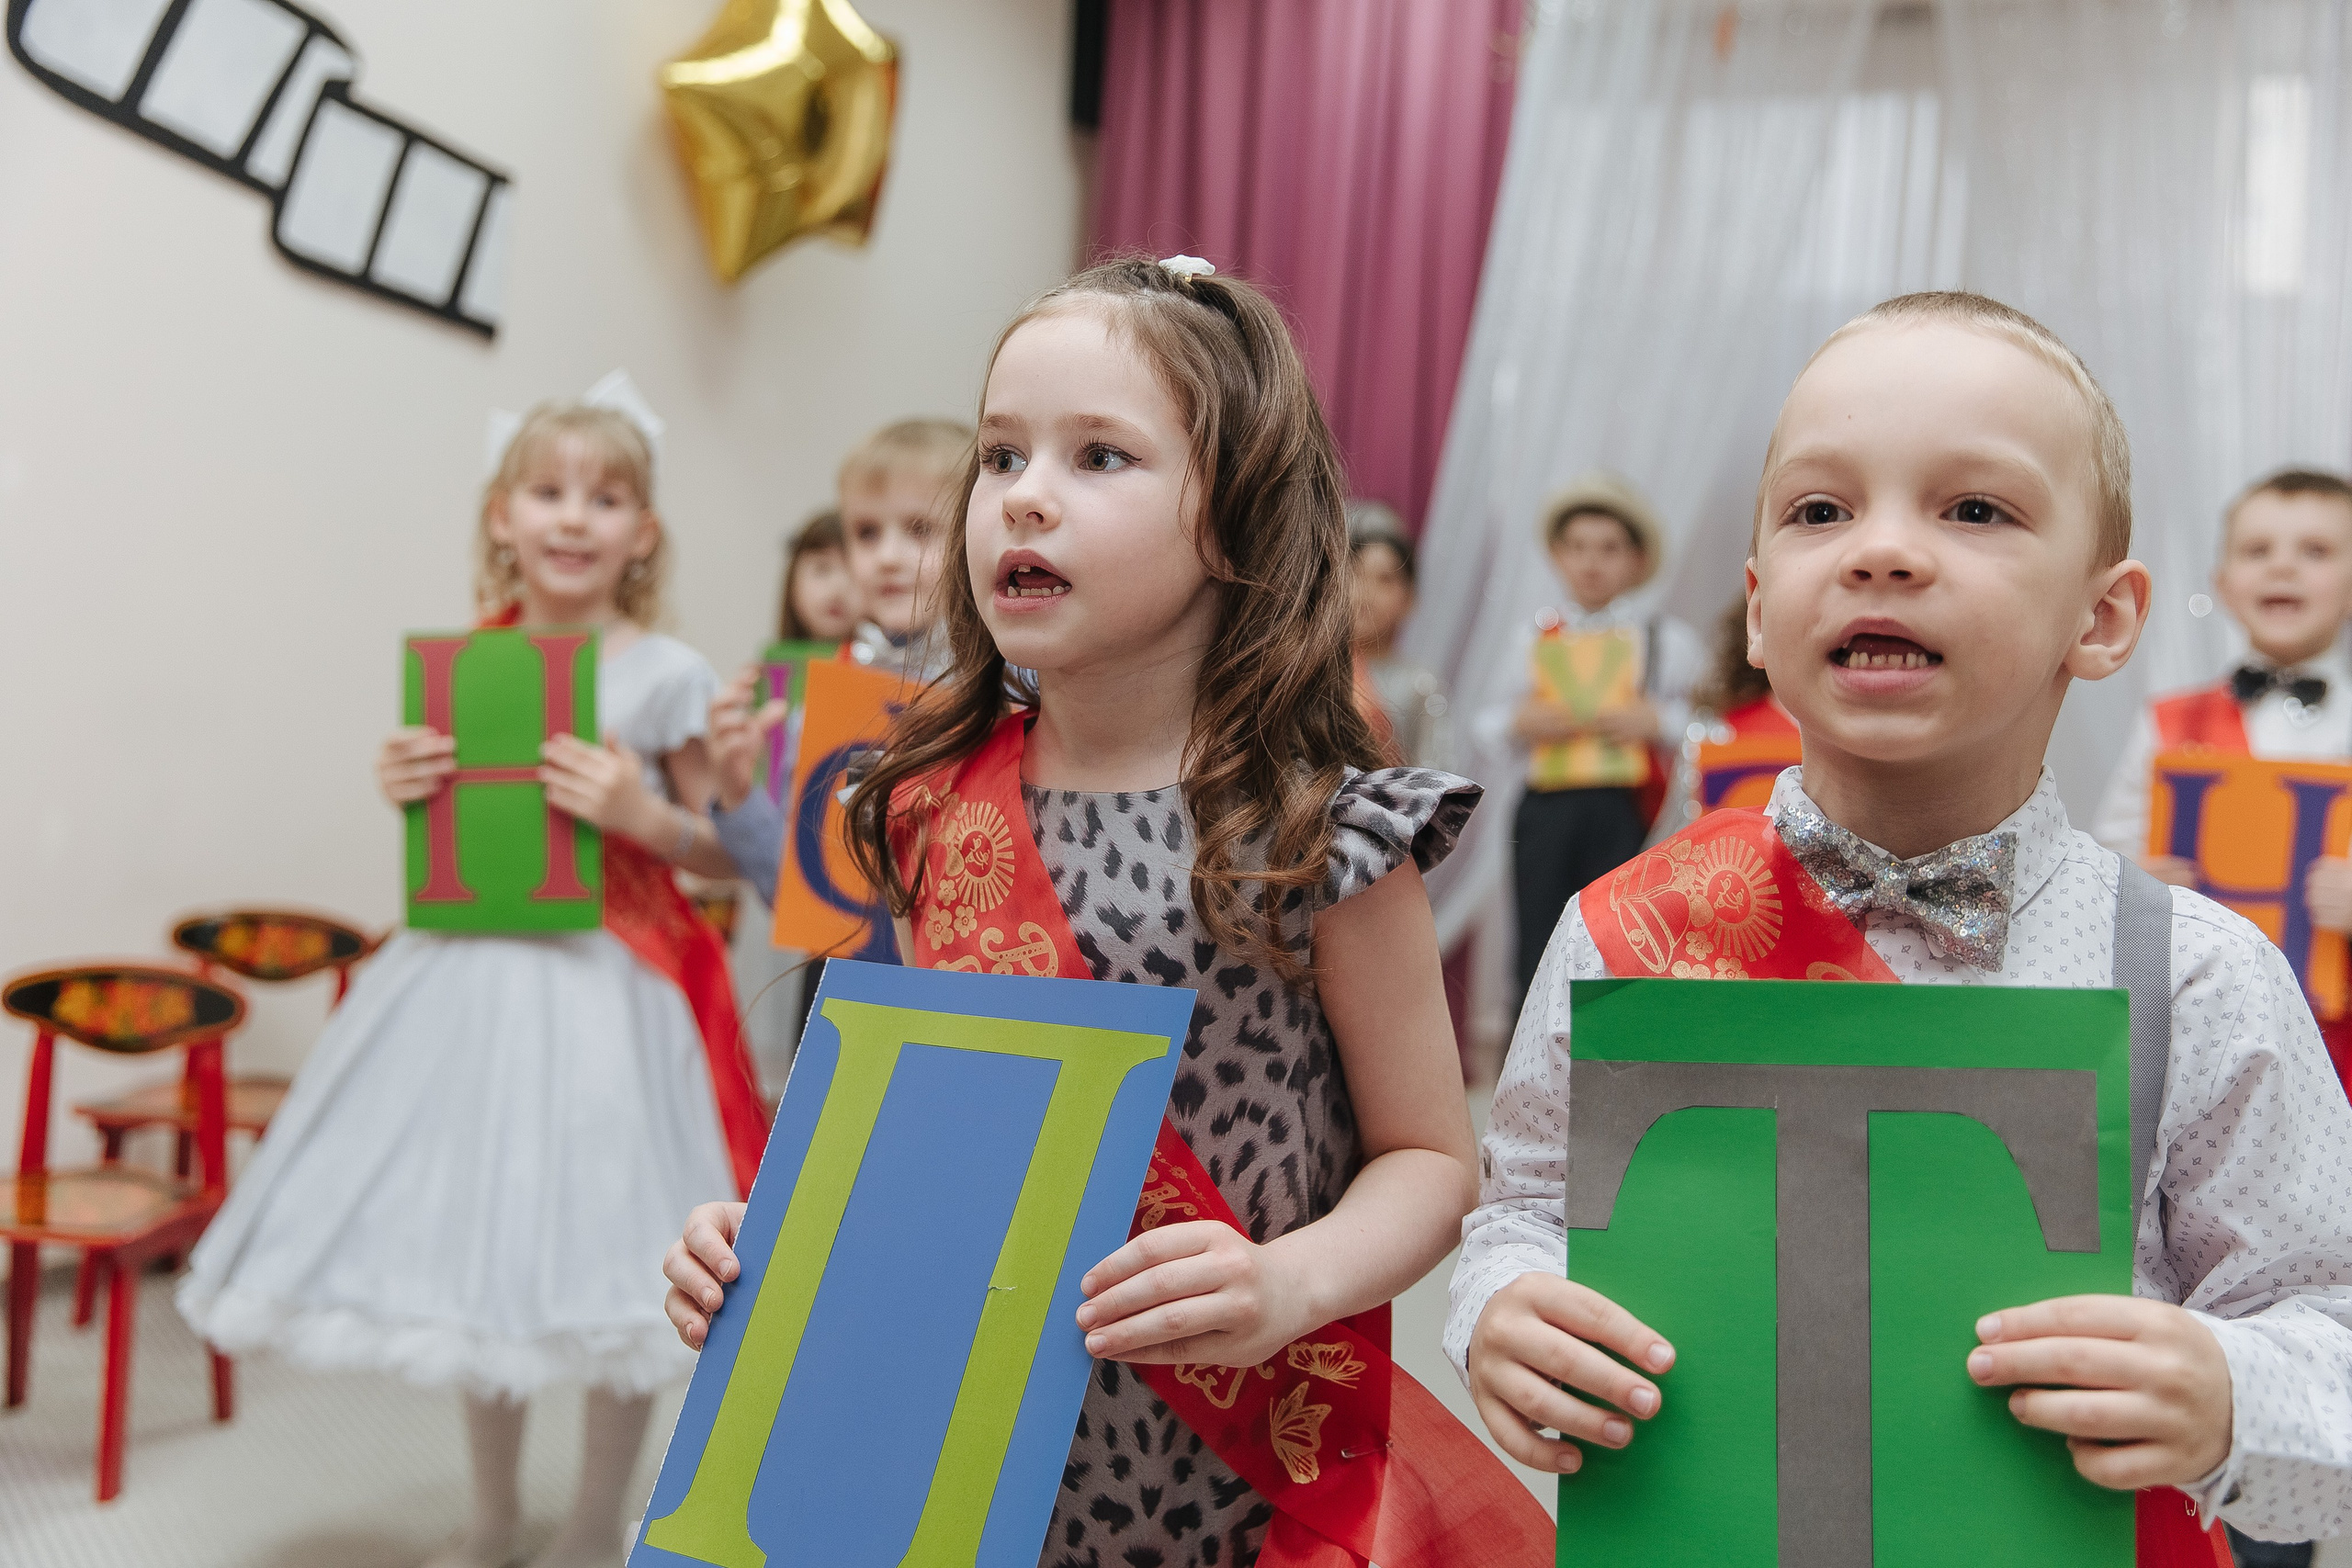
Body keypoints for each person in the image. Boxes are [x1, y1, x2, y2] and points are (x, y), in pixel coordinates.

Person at [661, 256, 1555, 1568]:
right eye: (1000, 453)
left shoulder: (1321, 828)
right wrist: (766, 1231)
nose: (1025, 494)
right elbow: (872, 1117)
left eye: (1099, 457)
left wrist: (1288, 1282)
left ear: (1237, 520)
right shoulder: (914, 803)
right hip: (961, 1443)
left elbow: (1432, 1158)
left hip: (1230, 1465)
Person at [1450, 292, 2352, 1561]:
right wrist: (1501, 1307)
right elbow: (1525, 1206)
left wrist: (2229, 1393)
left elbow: (2329, 1317)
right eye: (1822, 510)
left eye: (1973, 509)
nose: (1881, 551)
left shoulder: (2197, 978)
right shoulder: (1624, 929)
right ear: (1760, 612)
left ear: (2101, 618)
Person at [177, 401, 767, 1568]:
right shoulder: (471, 664)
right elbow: (454, 824)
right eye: (549, 493)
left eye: (605, 499)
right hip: (466, 990)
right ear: (503, 519)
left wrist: (635, 811)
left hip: (612, 994)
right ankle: (495, 1522)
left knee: (620, 1258)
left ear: (642, 533)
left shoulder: (665, 672)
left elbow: (722, 843)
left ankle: (597, 1524)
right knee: (485, 1263)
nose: (574, 518)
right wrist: (405, 782)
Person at [2093, 470, 2352, 1100]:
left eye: (2315, 551)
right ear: (2223, 584)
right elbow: (2104, 868)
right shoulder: (2167, 722)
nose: (2282, 568)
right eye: (2258, 550)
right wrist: (2143, 885)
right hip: (2202, 1029)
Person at [707, 421, 972, 906]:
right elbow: (805, 896)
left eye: (920, 529)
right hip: (855, 971)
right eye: (867, 533)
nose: (888, 557)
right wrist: (738, 791)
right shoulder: (833, 701)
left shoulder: (1019, 685)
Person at [1476, 473, 1703, 998]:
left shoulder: (1666, 641)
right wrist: (1521, 722)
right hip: (1545, 808)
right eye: (1577, 547)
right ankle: (1534, 1066)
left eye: (1609, 548)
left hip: (1626, 808)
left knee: (1621, 936)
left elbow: (1710, 728)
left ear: (1638, 561)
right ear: (1556, 556)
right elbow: (1484, 724)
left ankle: (1612, 1065)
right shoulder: (1533, 638)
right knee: (1537, 935)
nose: (1591, 562)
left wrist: (1658, 723)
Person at [1348, 499, 1453, 770]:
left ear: (1410, 597)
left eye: (1384, 579)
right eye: (1354, 576)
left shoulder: (1419, 684)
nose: (1364, 594)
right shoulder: (1318, 674)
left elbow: (1435, 772)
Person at [775, 508, 857, 644]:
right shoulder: (775, 663)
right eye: (822, 569)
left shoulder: (894, 663)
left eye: (853, 573)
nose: (837, 587)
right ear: (793, 581)